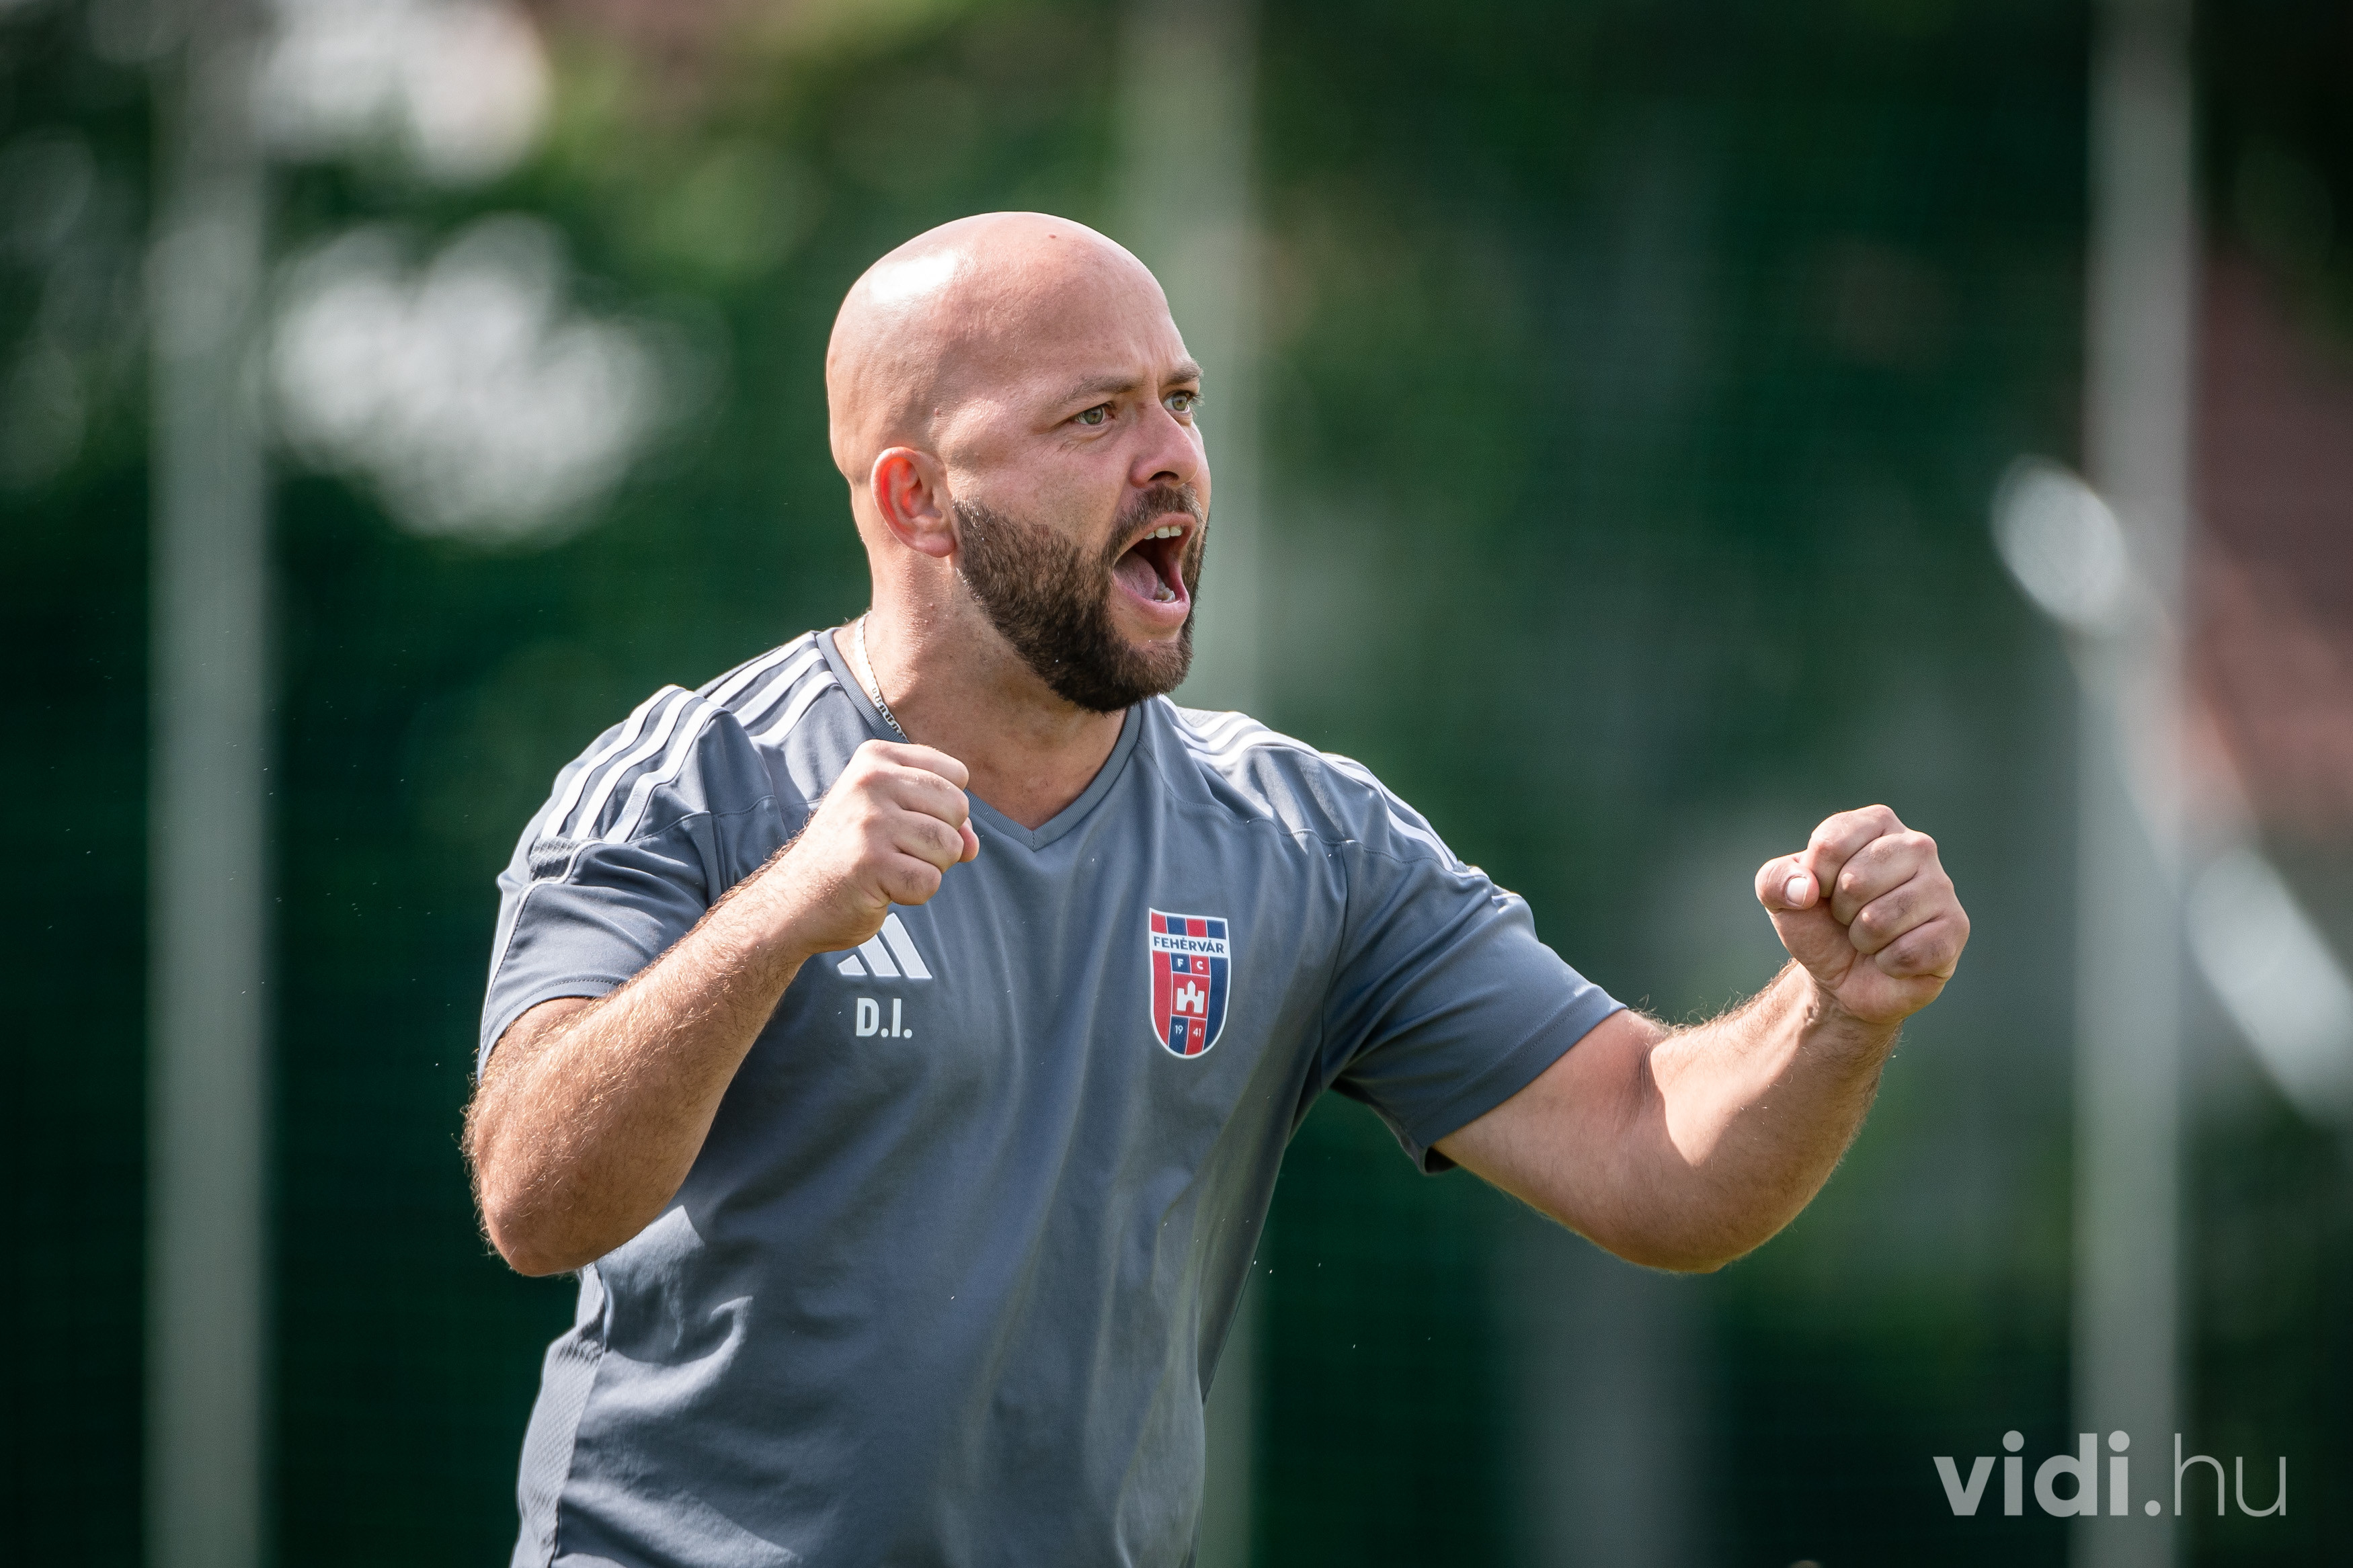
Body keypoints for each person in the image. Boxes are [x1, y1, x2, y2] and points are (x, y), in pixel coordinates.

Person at [463, 211, 1970, 1568]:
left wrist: (1833, 1014)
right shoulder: (693, 784)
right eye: (1094, 414)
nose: (1170, 455)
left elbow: (1656, 1153)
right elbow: (533, 1196)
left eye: (1179, 401)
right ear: (919, 500)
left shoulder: (1304, 841)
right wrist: (780, 915)